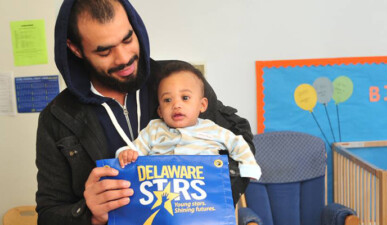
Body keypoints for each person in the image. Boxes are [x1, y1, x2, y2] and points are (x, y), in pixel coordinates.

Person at [35, 0, 254, 224]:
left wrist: (217, 188)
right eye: (104, 51)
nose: (123, 58)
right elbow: (48, 214)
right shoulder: (58, 117)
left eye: (127, 39)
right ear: (76, 49)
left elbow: (239, 134)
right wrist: (90, 213)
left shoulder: (177, 80)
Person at [117, 61, 262, 181]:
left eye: (185, 98)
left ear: (202, 105)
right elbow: (135, 150)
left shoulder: (211, 129)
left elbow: (237, 143)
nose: (176, 105)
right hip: (163, 189)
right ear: (160, 111)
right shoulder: (154, 129)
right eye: (167, 100)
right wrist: (126, 153)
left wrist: (248, 167)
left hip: (203, 188)